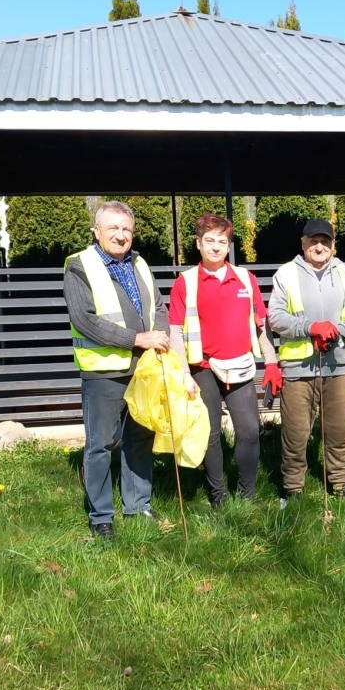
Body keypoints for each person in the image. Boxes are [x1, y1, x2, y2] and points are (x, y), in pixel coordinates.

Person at [64, 201, 170, 539]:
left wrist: (159, 338)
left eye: (126, 229)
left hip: (144, 369)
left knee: (140, 439)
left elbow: (158, 306)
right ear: (96, 231)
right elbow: (84, 319)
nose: (121, 235)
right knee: (100, 445)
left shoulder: (139, 262)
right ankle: (101, 517)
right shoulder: (79, 265)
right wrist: (136, 338)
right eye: (113, 228)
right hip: (103, 373)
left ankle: (138, 506)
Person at [168, 213, 281, 505]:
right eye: (210, 241)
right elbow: (175, 330)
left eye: (222, 241)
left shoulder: (245, 279)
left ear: (229, 245)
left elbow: (261, 325)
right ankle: (218, 494)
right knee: (210, 433)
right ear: (198, 243)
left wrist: (271, 363)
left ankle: (247, 494)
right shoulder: (185, 282)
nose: (216, 247)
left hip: (239, 365)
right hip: (202, 368)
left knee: (249, 432)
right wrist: (183, 373)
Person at [268, 218, 345, 501]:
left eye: (325, 241)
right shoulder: (286, 273)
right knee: (295, 435)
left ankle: (340, 484)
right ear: (303, 243)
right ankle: (293, 489)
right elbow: (275, 317)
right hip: (297, 370)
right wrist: (309, 328)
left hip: (339, 365)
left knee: (338, 433)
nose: (319, 246)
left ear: (333, 244)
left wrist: (339, 330)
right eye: (313, 241)